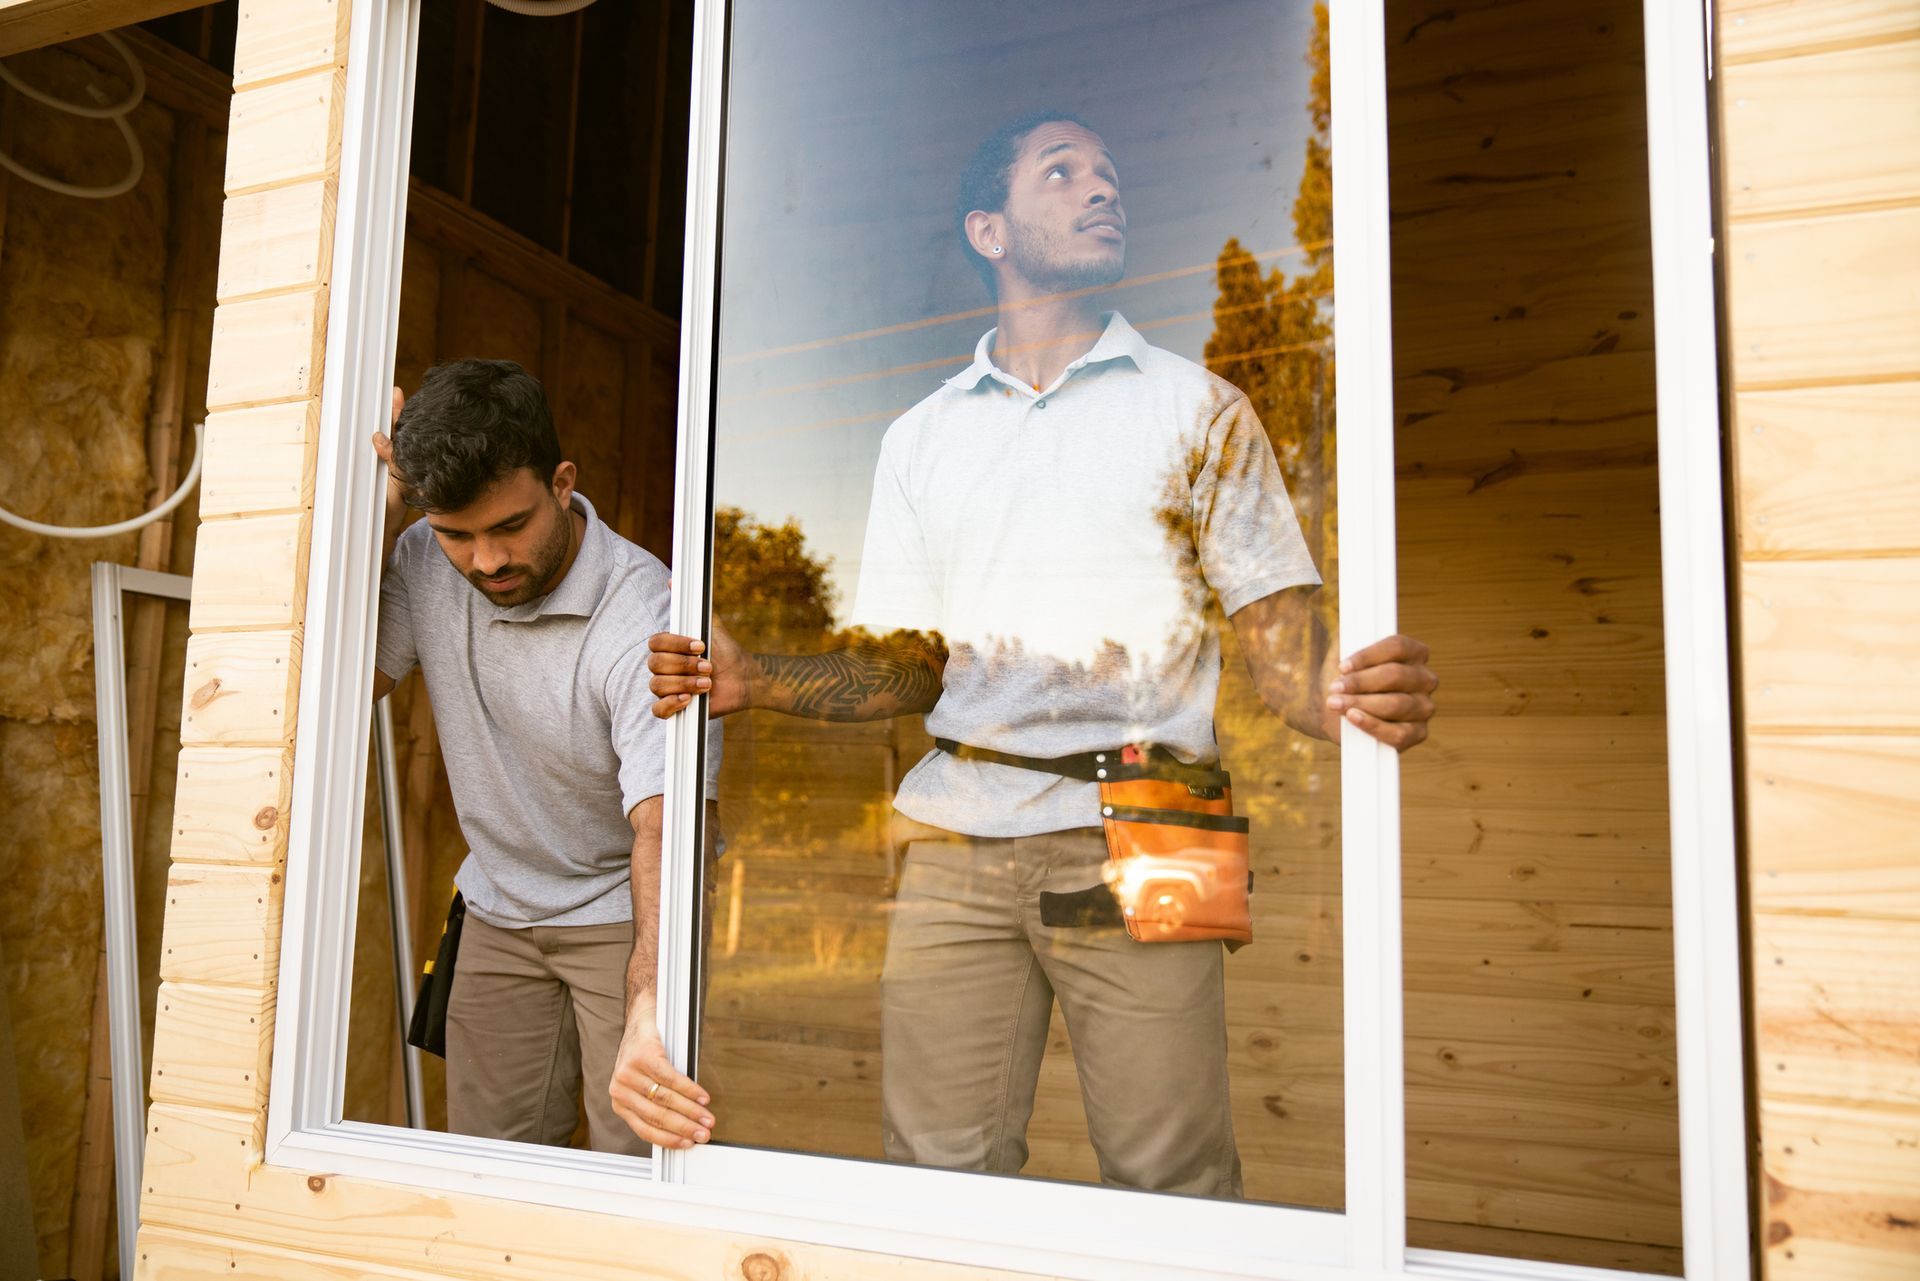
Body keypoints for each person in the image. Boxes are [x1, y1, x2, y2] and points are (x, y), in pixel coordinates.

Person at [647, 112, 1438, 1194]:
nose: (1100, 187)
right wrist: (755, 681)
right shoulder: (921, 437)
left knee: (1176, 1182)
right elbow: (911, 668)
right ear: (991, 231)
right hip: (952, 834)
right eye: (1062, 173)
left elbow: (1287, 661)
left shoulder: (1201, 408)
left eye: (1109, 173)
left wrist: (1358, 698)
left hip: (1164, 817)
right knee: (931, 1175)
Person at [372, 359, 717, 1156]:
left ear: (563, 483)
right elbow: (339, 687)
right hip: (498, 906)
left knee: (640, 1157)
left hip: (623, 911)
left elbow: (666, 828)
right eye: (458, 533)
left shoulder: (646, 616)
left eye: (509, 527)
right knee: (490, 1165)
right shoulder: (425, 554)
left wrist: (649, 1002)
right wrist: (377, 511)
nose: (485, 560)